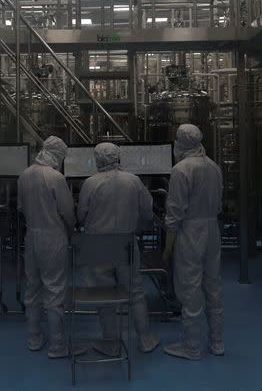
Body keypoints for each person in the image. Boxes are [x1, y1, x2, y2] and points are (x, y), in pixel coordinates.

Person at [77, 143, 161, 356]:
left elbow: (81, 216)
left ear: (97, 159)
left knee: (103, 294)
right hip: (126, 242)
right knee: (135, 291)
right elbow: (147, 212)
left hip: (97, 245)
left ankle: (111, 342)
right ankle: (144, 338)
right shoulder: (133, 181)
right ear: (118, 157)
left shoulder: (90, 183)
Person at [163, 124, 224, 360]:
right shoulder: (214, 167)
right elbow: (218, 204)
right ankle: (217, 342)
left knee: (190, 289)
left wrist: (168, 248)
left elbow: (174, 213)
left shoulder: (181, 170)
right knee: (213, 285)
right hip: (212, 229)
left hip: (190, 231)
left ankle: (191, 347)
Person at [17, 136, 76, 359]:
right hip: (53, 238)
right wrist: (72, 230)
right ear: (57, 154)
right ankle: (57, 346)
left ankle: (33, 337)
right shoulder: (55, 177)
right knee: (54, 291)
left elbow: (21, 208)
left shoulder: (24, 175)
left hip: (31, 236)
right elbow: (68, 213)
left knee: (32, 288)